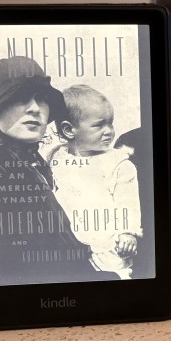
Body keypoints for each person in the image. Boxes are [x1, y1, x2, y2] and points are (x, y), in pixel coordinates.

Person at [0, 56, 113, 285]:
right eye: (21, 98)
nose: (35, 109)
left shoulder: (37, 165)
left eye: (42, 99)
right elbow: (32, 273)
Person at [50, 85, 142, 279]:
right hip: (69, 246)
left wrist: (128, 232)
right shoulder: (56, 158)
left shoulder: (119, 164)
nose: (109, 131)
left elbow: (128, 201)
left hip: (108, 247)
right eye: (99, 125)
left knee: (115, 278)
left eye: (110, 123)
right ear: (68, 130)